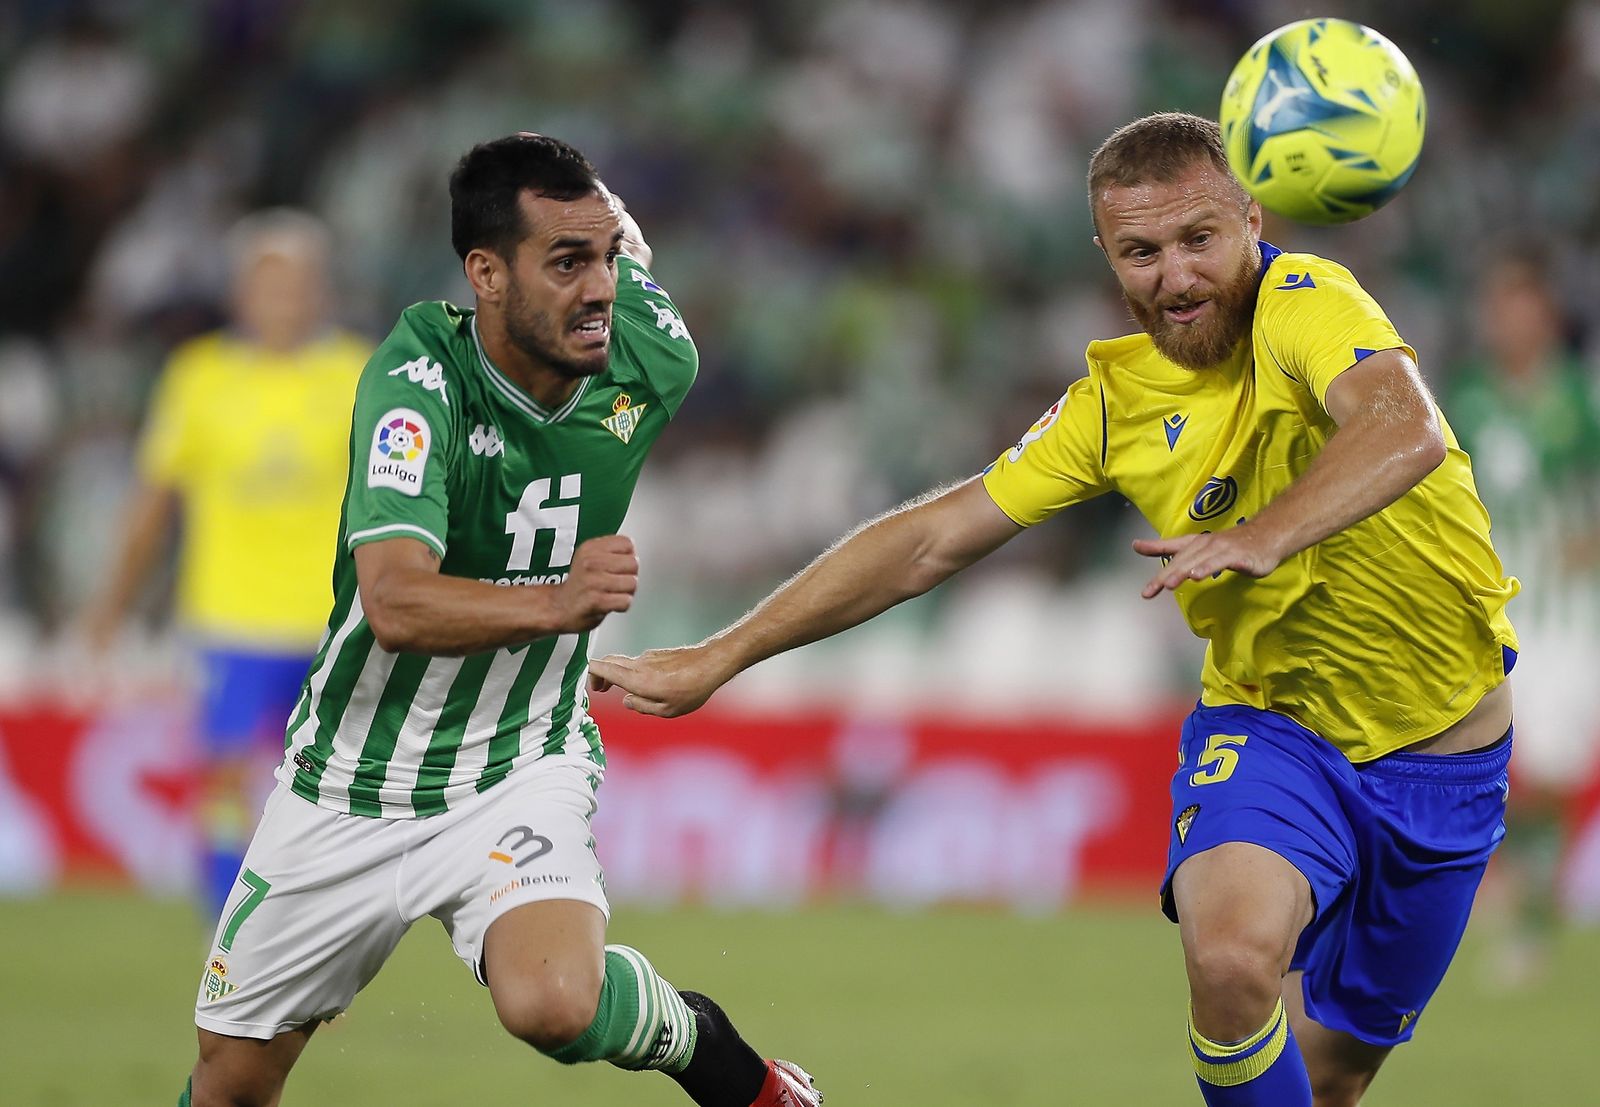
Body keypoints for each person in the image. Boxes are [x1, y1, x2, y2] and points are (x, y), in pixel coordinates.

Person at [590, 112, 1518, 1107]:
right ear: (1107, 258)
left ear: (1251, 219)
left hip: (1446, 763)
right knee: (1232, 960)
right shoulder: (1112, 408)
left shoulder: (1307, 303)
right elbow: (926, 542)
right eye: (1141, 252)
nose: (1175, 276)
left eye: (1198, 239)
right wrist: (721, 656)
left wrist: (1266, 532)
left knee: (1331, 1078)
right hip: (1274, 727)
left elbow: (1401, 424)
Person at [177, 135, 820, 1107]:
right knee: (229, 1086)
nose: (598, 287)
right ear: (484, 273)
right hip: (347, 777)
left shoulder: (652, 359)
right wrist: (561, 600)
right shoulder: (417, 376)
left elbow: (636, 276)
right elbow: (393, 600)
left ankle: (723, 1062)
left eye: (605, 257)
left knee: (554, 1005)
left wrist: (611, 246)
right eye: (566, 262)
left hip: (517, 759)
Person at [83, 209, 369, 918]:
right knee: (223, 782)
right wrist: (110, 606)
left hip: (336, 619)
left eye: (296, 285)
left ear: (320, 291)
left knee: (335, 787)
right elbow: (155, 501)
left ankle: (322, 936)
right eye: (267, 285)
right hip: (228, 615)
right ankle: (229, 940)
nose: (282, 301)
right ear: (242, 293)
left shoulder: (361, 372)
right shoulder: (199, 375)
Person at [1445, 247, 1600, 986]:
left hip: (1568, 617)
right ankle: (1517, 899)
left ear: (1546, 314)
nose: (1509, 320)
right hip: (1488, 615)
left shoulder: (1581, 395)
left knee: (1550, 772)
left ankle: (1534, 914)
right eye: (1498, 306)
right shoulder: (1468, 398)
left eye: (1522, 305)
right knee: (1494, 766)